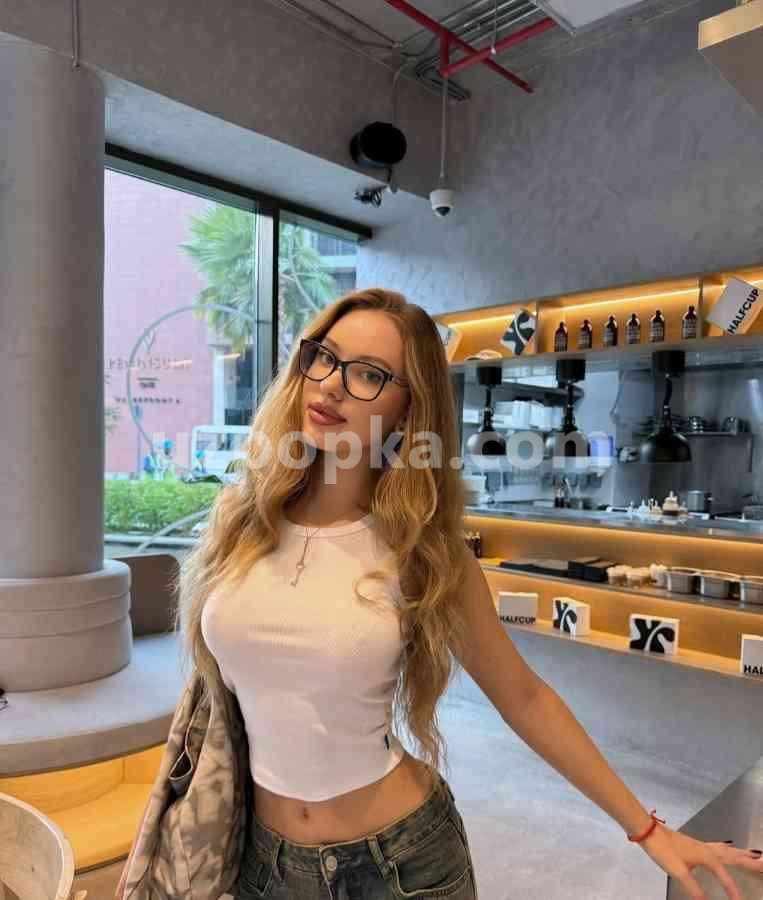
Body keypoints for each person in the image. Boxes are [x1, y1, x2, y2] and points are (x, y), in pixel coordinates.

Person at [175, 289, 761, 900]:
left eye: (368, 374)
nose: (330, 385)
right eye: (323, 357)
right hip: (263, 865)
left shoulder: (423, 553)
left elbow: (524, 698)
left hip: (398, 866)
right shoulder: (242, 524)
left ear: (408, 411)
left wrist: (647, 829)